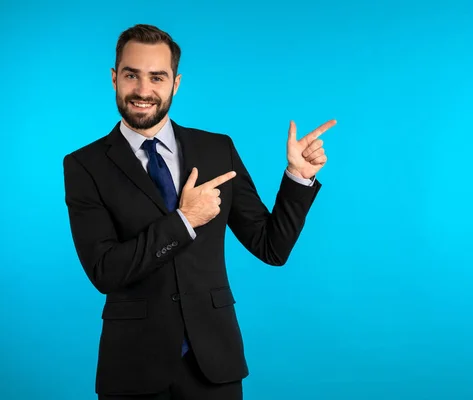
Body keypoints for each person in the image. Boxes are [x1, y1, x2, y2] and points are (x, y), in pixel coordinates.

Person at [63, 24, 335, 400]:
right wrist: (185, 221)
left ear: (175, 83)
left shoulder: (216, 150)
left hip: (214, 364)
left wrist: (297, 178)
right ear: (114, 78)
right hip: (133, 368)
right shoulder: (84, 165)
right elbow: (105, 271)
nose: (143, 91)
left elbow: (271, 247)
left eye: (157, 77)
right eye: (131, 75)